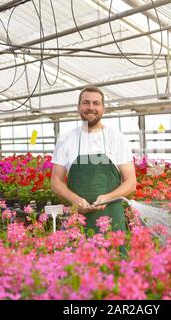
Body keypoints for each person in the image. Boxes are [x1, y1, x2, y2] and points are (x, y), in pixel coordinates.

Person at [51, 86, 136, 233]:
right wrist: (75, 200)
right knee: (78, 254)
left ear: (103, 108)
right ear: (78, 107)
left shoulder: (116, 138)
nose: (91, 107)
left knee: (113, 254)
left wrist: (108, 197)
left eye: (96, 103)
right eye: (86, 102)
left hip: (111, 217)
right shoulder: (66, 139)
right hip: (78, 219)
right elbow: (56, 181)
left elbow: (131, 182)